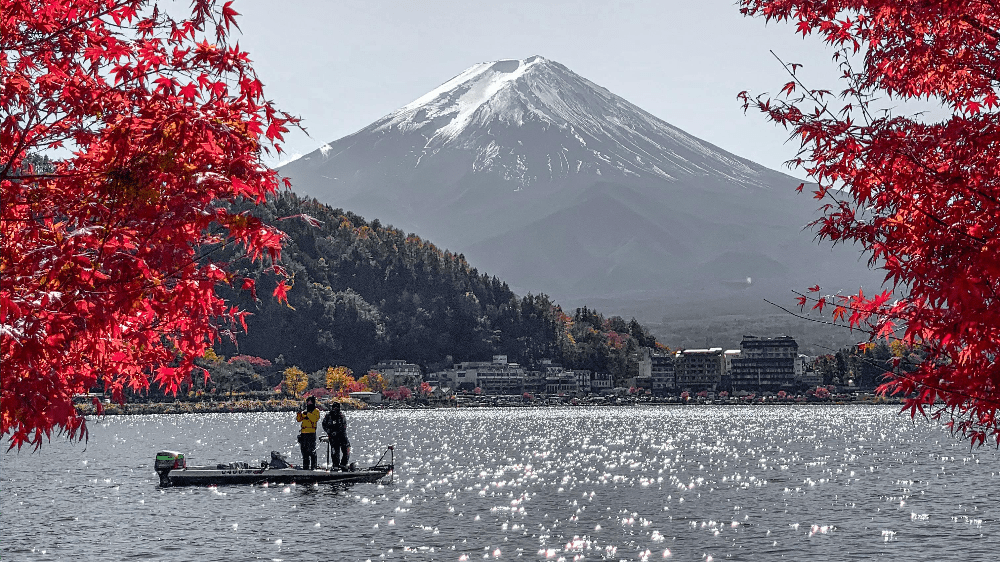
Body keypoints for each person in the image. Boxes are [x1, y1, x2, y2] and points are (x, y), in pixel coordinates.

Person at [322, 400, 350, 470]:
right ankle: (335, 466)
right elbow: (324, 424)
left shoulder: (341, 416)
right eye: (333, 407)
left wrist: (337, 432)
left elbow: (344, 427)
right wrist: (329, 432)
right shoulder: (328, 416)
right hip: (333, 438)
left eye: (336, 407)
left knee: (347, 449)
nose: (335, 409)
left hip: (342, 437)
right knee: (335, 452)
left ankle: (343, 464)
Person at [296, 396, 320, 470]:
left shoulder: (316, 411)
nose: (308, 403)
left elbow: (314, 419)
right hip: (303, 434)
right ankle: (305, 467)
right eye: (307, 402)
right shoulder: (305, 411)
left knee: (312, 451)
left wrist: (308, 414)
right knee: (304, 452)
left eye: (309, 402)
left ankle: (314, 467)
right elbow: (299, 419)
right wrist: (299, 413)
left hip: (311, 433)